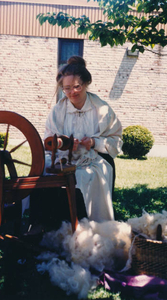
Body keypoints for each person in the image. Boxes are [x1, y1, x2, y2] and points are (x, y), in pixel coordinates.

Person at [43, 56, 123, 223]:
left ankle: (90, 224)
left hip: (93, 158)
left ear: (86, 83)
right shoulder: (58, 111)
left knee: (84, 176)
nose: (72, 92)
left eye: (77, 86)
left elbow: (116, 139)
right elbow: (49, 141)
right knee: (43, 171)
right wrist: (64, 146)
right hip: (63, 158)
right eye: (67, 88)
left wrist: (94, 143)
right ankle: (50, 223)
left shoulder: (101, 109)